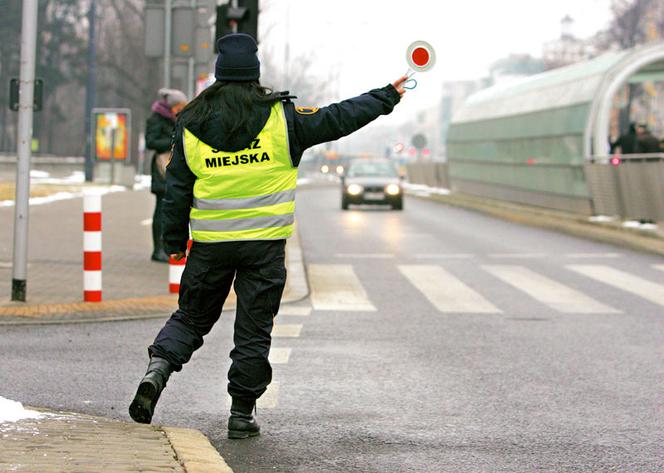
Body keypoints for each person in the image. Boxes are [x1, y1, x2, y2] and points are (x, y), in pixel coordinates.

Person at [129, 33, 407, 438]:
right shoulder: (283, 118)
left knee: (190, 318)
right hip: (263, 248)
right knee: (253, 331)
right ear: (255, 74)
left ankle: (157, 372)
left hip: (211, 247)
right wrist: (386, 96)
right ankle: (241, 414)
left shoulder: (191, 121)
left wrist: (173, 242)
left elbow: (177, 190)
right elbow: (338, 117)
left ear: (220, 74)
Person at [145, 88, 188, 262]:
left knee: (170, 209)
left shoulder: (175, 118)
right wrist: (175, 140)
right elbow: (151, 142)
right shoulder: (156, 119)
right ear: (171, 106)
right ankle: (158, 250)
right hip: (161, 168)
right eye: (179, 106)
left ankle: (169, 248)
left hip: (173, 167)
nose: (181, 109)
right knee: (161, 209)